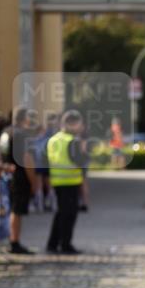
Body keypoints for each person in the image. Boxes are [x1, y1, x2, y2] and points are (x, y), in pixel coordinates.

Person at [46, 109, 87, 255]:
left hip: (57, 181)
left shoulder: (53, 139)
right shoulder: (73, 140)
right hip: (70, 181)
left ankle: (52, 243)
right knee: (69, 215)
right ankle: (65, 244)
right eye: (79, 124)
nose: (81, 127)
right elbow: (80, 161)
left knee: (60, 214)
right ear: (72, 124)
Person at [0, 107, 38, 254]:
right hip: (19, 176)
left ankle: (12, 240)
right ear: (25, 119)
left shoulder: (5, 132)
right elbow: (28, 159)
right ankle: (14, 241)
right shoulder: (22, 134)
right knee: (17, 210)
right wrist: (34, 182)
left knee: (11, 209)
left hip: (5, 174)